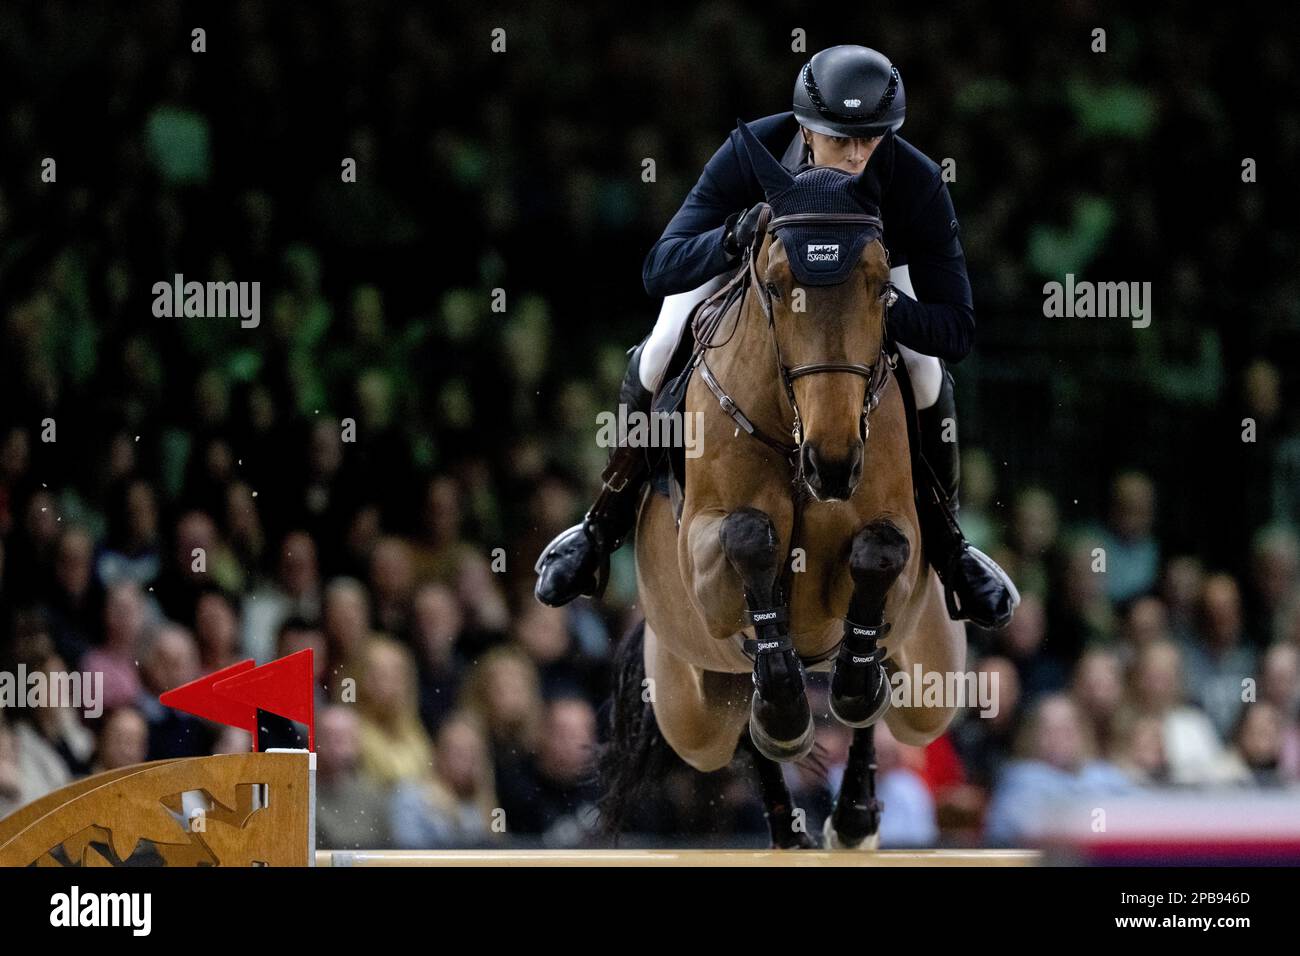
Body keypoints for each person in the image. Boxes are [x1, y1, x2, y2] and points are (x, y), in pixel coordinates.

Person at [535, 45, 1017, 629]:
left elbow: (958, 328)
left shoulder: (914, 180)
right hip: (758, 263)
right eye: (842, 140)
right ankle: (601, 525)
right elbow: (659, 267)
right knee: (658, 349)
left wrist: (880, 306)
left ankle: (949, 547)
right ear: (807, 130)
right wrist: (734, 235)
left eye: (872, 139)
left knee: (926, 369)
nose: (858, 158)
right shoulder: (752, 152)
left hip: (870, 282)